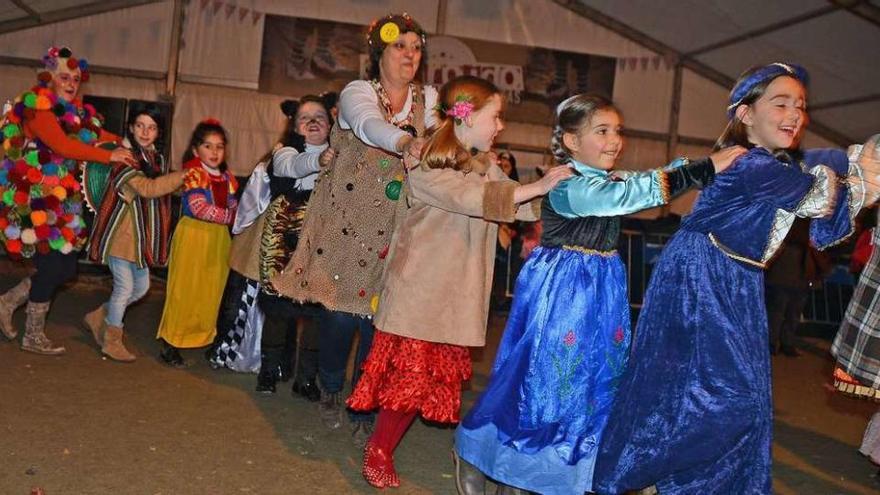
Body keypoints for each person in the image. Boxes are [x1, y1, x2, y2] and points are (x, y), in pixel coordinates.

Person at [593, 63, 880, 494]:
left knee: (700, 390)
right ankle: (675, 478)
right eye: (780, 103)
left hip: (735, 279)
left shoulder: (772, 163)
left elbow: (817, 188)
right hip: (703, 277)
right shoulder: (752, 165)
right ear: (745, 115)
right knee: (729, 397)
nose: (794, 114)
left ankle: (664, 476)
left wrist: (855, 170)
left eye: (800, 106)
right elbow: (818, 196)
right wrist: (860, 169)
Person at [454, 94, 741, 495]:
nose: (614, 140)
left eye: (617, 131)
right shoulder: (569, 183)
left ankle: (555, 469)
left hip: (603, 289)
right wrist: (700, 170)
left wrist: (697, 166)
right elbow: (629, 195)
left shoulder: (608, 178)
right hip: (561, 292)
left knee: (597, 382)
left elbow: (641, 181)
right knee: (544, 379)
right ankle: (479, 451)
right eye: (602, 131)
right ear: (571, 141)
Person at [345, 75, 572, 489]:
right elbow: (471, 200)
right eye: (496, 117)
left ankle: (389, 441)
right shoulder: (428, 163)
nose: (500, 126)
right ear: (466, 118)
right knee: (408, 380)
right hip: (420, 291)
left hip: (455, 292)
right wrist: (535, 187)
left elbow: (515, 206)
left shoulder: (486, 165)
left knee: (427, 379)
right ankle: (378, 447)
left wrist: (560, 200)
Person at [271, 13, 435, 446]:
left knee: (378, 321)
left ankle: (364, 399)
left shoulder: (428, 99)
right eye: (401, 46)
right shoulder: (358, 93)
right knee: (343, 316)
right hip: (347, 222)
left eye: (416, 48)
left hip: (397, 226)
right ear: (379, 52)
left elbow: (448, 139)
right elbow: (366, 125)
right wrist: (403, 142)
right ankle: (329, 387)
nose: (410, 55)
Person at [0, 46, 135, 355]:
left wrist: (130, 142)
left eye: (75, 78)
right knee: (52, 266)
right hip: (37, 204)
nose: (72, 83)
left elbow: (95, 135)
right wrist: (109, 154)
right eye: (64, 77)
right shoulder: (38, 109)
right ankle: (32, 335)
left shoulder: (73, 113)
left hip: (62, 203)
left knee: (66, 269)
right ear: (49, 78)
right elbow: (63, 146)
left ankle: (7, 303)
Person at [82, 103, 183, 362]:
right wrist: (183, 176)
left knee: (142, 288)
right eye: (140, 126)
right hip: (119, 235)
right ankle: (112, 340)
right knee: (124, 288)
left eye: (151, 128)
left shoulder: (156, 159)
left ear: (158, 133)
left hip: (140, 239)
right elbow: (147, 189)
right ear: (131, 128)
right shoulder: (123, 156)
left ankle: (100, 316)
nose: (145, 132)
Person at [255, 94, 335, 394]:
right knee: (278, 308)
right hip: (284, 238)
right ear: (294, 125)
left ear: (331, 123)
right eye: (305, 117)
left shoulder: (343, 153)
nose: (313, 121)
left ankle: (306, 378)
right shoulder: (284, 152)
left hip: (323, 240)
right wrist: (318, 159)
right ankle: (270, 369)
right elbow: (292, 167)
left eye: (320, 116)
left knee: (317, 309)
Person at [156, 119, 238, 367]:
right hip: (193, 235)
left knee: (212, 290)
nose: (214, 152)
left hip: (219, 239)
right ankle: (171, 343)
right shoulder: (193, 174)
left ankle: (203, 337)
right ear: (195, 150)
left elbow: (235, 206)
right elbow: (198, 208)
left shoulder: (229, 178)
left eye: (219, 147)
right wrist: (232, 217)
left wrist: (234, 215)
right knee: (184, 290)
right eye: (208, 146)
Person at [765, 218, 830, 357]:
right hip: (794, 273)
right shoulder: (808, 229)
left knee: (780, 312)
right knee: (786, 312)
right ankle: (781, 343)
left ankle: (776, 343)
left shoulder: (791, 226)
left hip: (790, 273)